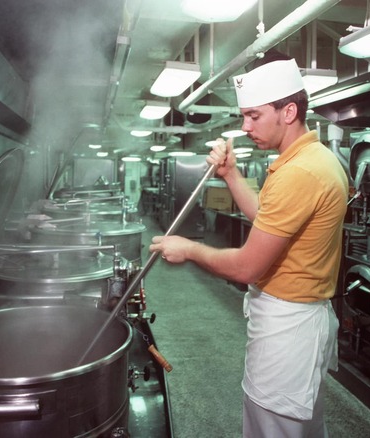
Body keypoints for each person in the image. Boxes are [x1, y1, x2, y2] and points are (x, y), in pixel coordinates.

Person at [149, 56, 348, 437]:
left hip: (288, 329)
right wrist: (231, 174)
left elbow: (246, 268)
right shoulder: (307, 159)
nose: (245, 126)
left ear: (288, 111)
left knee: (274, 429)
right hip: (294, 322)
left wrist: (189, 248)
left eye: (254, 116)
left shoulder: (300, 172)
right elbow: (266, 220)